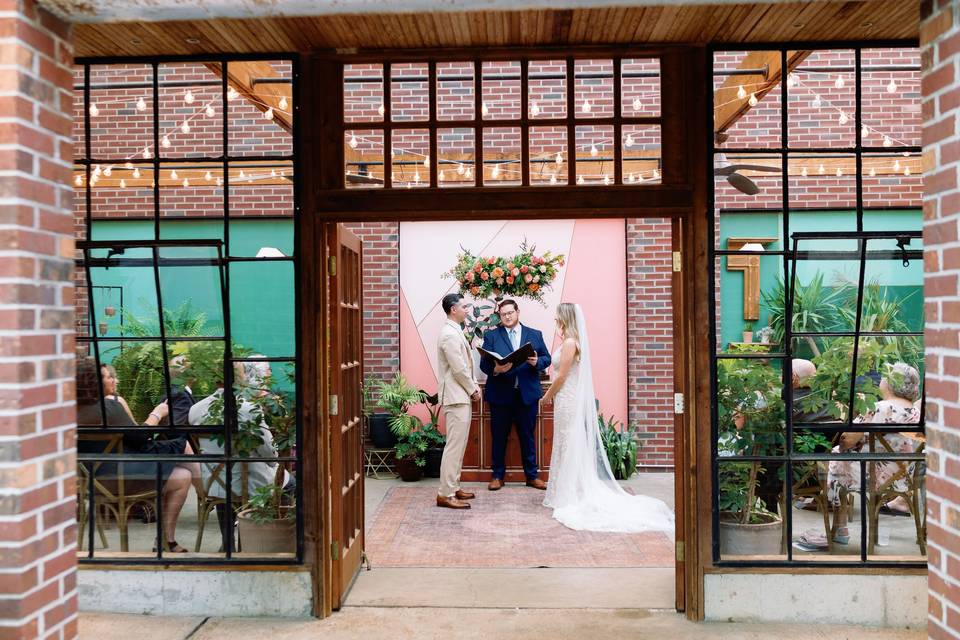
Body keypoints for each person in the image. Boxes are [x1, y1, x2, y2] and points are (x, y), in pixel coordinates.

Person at [540, 303, 674, 533]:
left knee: (567, 444)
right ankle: (564, 490)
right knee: (564, 444)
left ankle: (571, 492)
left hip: (567, 399)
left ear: (565, 317)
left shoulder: (571, 343)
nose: (555, 320)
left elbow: (562, 376)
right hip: (564, 399)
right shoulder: (569, 341)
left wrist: (546, 397)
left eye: (557, 317)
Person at [76, 357, 200, 553]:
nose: (114, 380)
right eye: (109, 377)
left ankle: (171, 533)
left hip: (88, 483)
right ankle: (169, 536)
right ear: (95, 383)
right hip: (119, 479)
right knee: (183, 474)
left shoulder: (67, 410)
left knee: (178, 456)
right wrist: (157, 414)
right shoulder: (109, 408)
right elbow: (141, 438)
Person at [190, 358, 291, 548]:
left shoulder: (195, 410)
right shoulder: (248, 408)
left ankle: (227, 542)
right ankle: (270, 540)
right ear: (239, 378)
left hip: (212, 484)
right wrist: (274, 463)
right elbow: (269, 452)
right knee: (290, 483)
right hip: (248, 483)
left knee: (225, 485)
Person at [826, 362, 922, 544]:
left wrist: (846, 446)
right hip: (904, 479)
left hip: (870, 476)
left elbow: (847, 440)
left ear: (890, 383)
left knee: (836, 455)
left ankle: (840, 527)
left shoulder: (876, 407)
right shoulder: (917, 412)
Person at [479, 299, 551, 491]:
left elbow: (547, 358)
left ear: (518, 312)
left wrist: (537, 362)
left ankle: (532, 476)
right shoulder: (492, 336)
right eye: (503, 314)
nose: (507, 316)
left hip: (526, 395)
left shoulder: (534, 334)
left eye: (510, 313)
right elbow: (484, 364)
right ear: (499, 316)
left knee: (528, 437)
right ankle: (497, 476)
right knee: (499, 437)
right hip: (500, 394)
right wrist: (496, 369)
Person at [435, 293, 480, 510]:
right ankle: (445, 493)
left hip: (459, 395)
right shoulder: (449, 335)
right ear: (453, 309)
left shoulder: (455, 331)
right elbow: (459, 368)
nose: (467, 310)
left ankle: (454, 486)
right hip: (456, 396)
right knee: (454, 446)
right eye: (464, 306)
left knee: (459, 445)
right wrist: (473, 390)